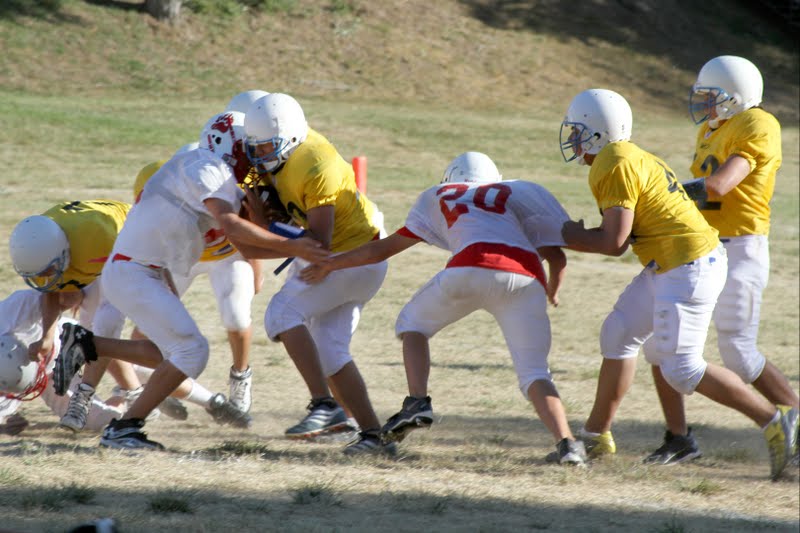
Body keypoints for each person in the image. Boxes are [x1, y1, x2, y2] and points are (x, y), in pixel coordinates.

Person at [558, 88, 798, 480]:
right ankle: (596, 435)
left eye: (578, 131)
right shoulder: (624, 155)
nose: (572, 139)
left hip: (688, 265)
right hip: (673, 261)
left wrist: (562, 235)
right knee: (618, 333)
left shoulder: (613, 163)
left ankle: (775, 420)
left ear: (597, 134)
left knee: (682, 369)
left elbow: (614, 243)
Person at [54, 110, 328, 450]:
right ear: (230, 144)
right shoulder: (205, 165)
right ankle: (124, 426)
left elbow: (242, 242)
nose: (255, 157)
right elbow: (230, 225)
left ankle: (88, 346)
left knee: (164, 353)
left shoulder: (212, 171)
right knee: (192, 351)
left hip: (146, 269)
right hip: (134, 269)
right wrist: (292, 244)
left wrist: (285, 240)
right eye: (250, 148)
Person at [300, 151, 588, 465]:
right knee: (534, 372)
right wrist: (552, 290)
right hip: (526, 276)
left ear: (451, 179)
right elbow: (558, 258)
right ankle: (568, 445)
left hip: (468, 268)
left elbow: (381, 249)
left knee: (413, 325)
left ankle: (417, 402)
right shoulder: (515, 195)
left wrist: (332, 264)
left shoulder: (442, 194)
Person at [643, 56, 800, 465]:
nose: (704, 105)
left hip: (742, 245)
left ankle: (795, 420)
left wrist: (661, 196)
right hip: (704, 245)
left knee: (738, 353)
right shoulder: (711, 129)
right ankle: (678, 439)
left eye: (711, 97)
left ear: (736, 98)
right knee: (661, 344)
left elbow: (719, 185)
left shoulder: (757, 123)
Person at [243, 92, 391, 455]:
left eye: (267, 148)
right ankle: (373, 436)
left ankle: (324, 405)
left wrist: (263, 224)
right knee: (331, 351)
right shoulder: (284, 157)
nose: (260, 157)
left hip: (350, 255)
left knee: (281, 314)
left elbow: (318, 243)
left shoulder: (316, 163)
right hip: (354, 254)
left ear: (290, 139)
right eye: (256, 148)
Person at [0, 289, 254, 434]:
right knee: (97, 423)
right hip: (44, 379)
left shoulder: (14, 311)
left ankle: (209, 401)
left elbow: (53, 295)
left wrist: (47, 335)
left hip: (60, 343)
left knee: (97, 345)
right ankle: (128, 398)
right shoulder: (12, 381)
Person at [133, 139, 259, 414]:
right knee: (143, 329)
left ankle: (240, 375)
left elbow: (250, 224)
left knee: (237, 316)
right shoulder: (160, 185)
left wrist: (254, 266)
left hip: (227, 253)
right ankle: (155, 386)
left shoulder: (224, 179)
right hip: (184, 258)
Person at [7, 200, 139, 432]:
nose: (45, 278)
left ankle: (92, 396)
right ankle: (135, 388)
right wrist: (47, 336)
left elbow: (135, 260)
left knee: (103, 325)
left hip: (128, 243)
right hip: (83, 251)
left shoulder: (100, 238)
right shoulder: (42, 249)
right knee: (91, 333)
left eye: (49, 271)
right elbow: (49, 289)